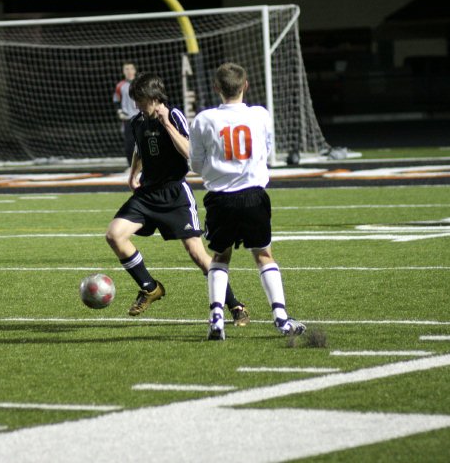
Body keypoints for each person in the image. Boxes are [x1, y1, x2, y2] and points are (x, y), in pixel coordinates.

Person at [105, 72, 249, 324]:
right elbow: (140, 148)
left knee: (197, 254)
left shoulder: (173, 116)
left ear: (154, 98)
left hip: (175, 193)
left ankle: (235, 305)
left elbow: (189, 153)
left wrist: (167, 126)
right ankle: (150, 288)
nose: (136, 105)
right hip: (147, 194)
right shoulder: (137, 121)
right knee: (114, 235)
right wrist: (133, 173)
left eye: (140, 99)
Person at [190, 62, 305, 341]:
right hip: (254, 196)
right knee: (264, 255)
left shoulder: (204, 119)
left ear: (216, 87)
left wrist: (218, 172)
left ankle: (216, 318)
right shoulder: (260, 115)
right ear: (246, 85)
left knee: (220, 257)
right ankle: (281, 317)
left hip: (220, 199)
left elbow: (195, 164)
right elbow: (266, 150)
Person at [113, 62, 139, 163]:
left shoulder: (141, 83)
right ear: (123, 71)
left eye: (131, 68)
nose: (129, 71)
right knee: (129, 143)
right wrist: (119, 111)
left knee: (143, 142)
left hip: (141, 117)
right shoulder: (120, 86)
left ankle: (145, 165)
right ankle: (131, 165)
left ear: (135, 70)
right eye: (126, 69)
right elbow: (116, 100)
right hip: (128, 118)